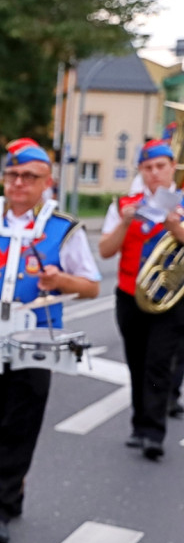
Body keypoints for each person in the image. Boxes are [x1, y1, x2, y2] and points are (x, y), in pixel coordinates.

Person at [0, 138, 100, 543]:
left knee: (21, 423)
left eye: (29, 177)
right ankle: (11, 485)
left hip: (36, 340)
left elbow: (92, 286)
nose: (19, 183)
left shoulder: (63, 229)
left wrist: (61, 280)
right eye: (12, 175)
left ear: (47, 182)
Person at [98, 138, 184, 461]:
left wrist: (177, 230)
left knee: (159, 363)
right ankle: (138, 425)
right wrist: (124, 222)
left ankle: (153, 432)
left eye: (160, 166)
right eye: (147, 168)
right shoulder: (125, 204)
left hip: (171, 300)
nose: (154, 174)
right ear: (140, 171)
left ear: (172, 168)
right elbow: (105, 250)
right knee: (136, 361)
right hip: (130, 295)